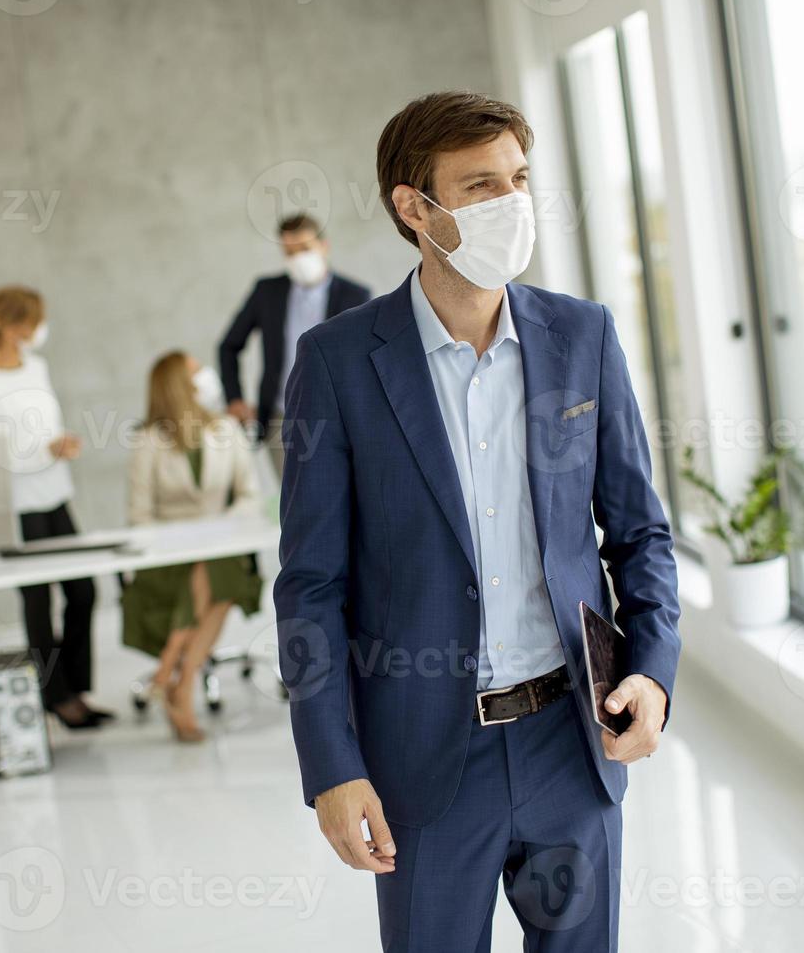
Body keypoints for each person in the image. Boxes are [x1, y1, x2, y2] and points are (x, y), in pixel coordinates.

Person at [274, 92, 681, 951]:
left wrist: (652, 671)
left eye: (519, 179)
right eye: (481, 185)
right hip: (424, 759)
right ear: (414, 207)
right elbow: (311, 586)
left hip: (572, 745)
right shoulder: (339, 364)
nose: (511, 203)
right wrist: (332, 769)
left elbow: (639, 534)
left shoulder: (583, 336)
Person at [0, 285, 112, 730]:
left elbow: (44, 424)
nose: (39, 329)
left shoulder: (39, 367)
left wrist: (60, 443)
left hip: (55, 494)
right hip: (18, 505)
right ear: (13, 326)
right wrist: (43, 450)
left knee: (83, 592)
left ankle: (75, 690)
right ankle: (58, 698)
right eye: (34, 320)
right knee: (37, 601)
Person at [121, 351, 264, 743]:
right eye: (196, 370)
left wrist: (219, 532)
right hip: (169, 558)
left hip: (221, 547)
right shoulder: (149, 440)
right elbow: (140, 513)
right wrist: (177, 546)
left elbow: (249, 496)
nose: (206, 375)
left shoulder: (227, 430)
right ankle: (178, 683)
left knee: (216, 569)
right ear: (178, 385)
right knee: (213, 576)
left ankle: (172, 675)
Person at [217, 213, 371, 474]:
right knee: (292, 506)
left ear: (324, 245)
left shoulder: (355, 295)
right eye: (289, 252)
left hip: (339, 417)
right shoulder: (267, 291)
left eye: (304, 249)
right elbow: (229, 345)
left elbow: (367, 358)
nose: (298, 258)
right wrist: (235, 399)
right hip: (280, 418)